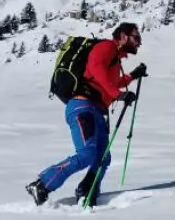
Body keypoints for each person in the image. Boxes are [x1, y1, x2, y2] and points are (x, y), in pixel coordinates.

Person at [25, 22, 147, 206]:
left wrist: (133, 76)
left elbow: (111, 81)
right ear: (122, 36)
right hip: (82, 106)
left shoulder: (115, 58)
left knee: (103, 158)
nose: (139, 43)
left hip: (96, 110)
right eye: (136, 38)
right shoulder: (106, 47)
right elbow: (97, 70)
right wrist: (118, 95)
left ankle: (87, 191)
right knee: (87, 154)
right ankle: (42, 184)